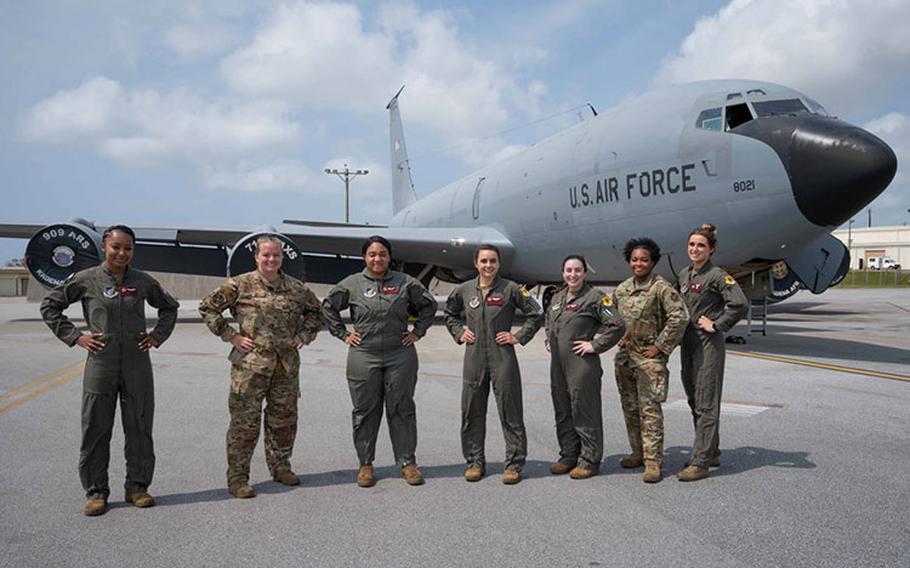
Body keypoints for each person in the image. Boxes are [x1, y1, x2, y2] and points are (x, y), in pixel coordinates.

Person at [40, 225, 179, 516]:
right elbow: (50, 305)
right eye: (116, 247)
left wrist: (156, 336)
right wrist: (76, 336)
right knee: (95, 429)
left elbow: (169, 307)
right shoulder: (86, 279)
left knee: (139, 429)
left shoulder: (142, 281)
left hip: (137, 365)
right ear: (105, 246)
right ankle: (96, 492)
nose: (122, 253)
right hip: (100, 365)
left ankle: (137, 487)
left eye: (128, 248)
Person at [199, 236, 324, 498]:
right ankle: (238, 477)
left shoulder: (296, 288)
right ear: (256, 257)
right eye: (265, 255)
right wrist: (230, 335)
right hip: (250, 368)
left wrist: (304, 335)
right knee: (244, 424)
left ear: (282, 257)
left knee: (284, 421)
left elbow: (316, 313)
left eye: (276, 255)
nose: (271, 260)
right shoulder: (239, 285)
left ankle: (280, 467)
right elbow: (208, 308)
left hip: (285, 368)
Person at [322, 236, 436, 488]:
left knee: (402, 409)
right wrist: (343, 334)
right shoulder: (351, 284)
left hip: (400, 355)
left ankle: (408, 463)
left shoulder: (406, 282)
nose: (377, 259)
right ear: (365, 257)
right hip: (364, 355)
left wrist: (417, 332)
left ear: (389, 257)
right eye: (372, 254)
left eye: (382, 254)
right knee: (365, 411)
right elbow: (328, 307)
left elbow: (428, 306)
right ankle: (365, 464)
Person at [444, 244, 544, 484]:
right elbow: (449, 313)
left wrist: (518, 337)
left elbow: (536, 314)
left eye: (493, 261)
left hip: (503, 357)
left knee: (510, 410)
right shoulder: (464, 290)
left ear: (499, 264)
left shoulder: (511, 289)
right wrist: (459, 332)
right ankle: (475, 462)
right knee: (471, 411)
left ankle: (514, 464)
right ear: (476, 264)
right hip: (474, 356)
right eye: (484, 261)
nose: (488, 266)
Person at [612, 239, 689, 483]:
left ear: (653, 262)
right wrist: (617, 338)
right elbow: (612, 318)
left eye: (644, 259)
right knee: (630, 408)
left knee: (650, 412)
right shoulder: (622, 288)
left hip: (649, 361)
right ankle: (637, 453)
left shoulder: (661, 288)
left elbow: (680, 317)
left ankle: (654, 462)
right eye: (635, 259)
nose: (639, 263)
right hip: (626, 358)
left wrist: (660, 346)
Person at [675, 224, 747, 481]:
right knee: (694, 398)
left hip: (708, 345)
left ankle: (700, 461)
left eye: (701, 245)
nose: (695, 249)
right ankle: (711, 450)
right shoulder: (685, 274)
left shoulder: (717, 276)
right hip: (688, 344)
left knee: (706, 401)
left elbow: (739, 303)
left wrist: (717, 325)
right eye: (692, 244)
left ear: (711, 249)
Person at [545, 255, 625, 480]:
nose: (573, 275)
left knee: (584, 409)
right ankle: (569, 455)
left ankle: (589, 459)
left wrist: (595, 345)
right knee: (562, 409)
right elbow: (549, 320)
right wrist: (547, 337)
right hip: (558, 365)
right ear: (563, 273)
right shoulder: (558, 297)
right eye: (569, 270)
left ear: (584, 273)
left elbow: (617, 325)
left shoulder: (595, 298)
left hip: (581, 364)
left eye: (577, 270)